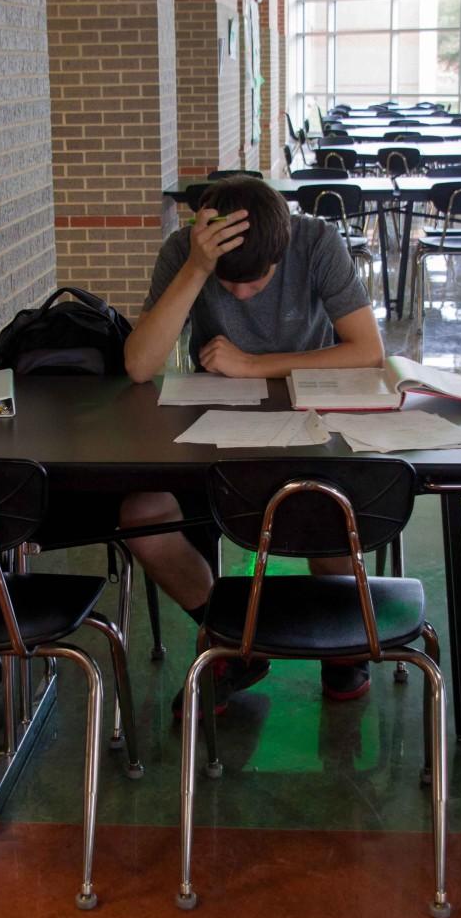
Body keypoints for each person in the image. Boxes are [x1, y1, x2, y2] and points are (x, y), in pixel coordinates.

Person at [121, 175, 384, 715]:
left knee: (324, 512)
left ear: (281, 249)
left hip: (310, 424)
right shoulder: (186, 253)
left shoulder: (315, 242)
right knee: (141, 515)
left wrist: (252, 365)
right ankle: (230, 641)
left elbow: (367, 350)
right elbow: (139, 365)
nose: (240, 294)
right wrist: (196, 268)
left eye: (257, 283)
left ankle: (340, 648)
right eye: (227, 282)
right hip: (215, 435)